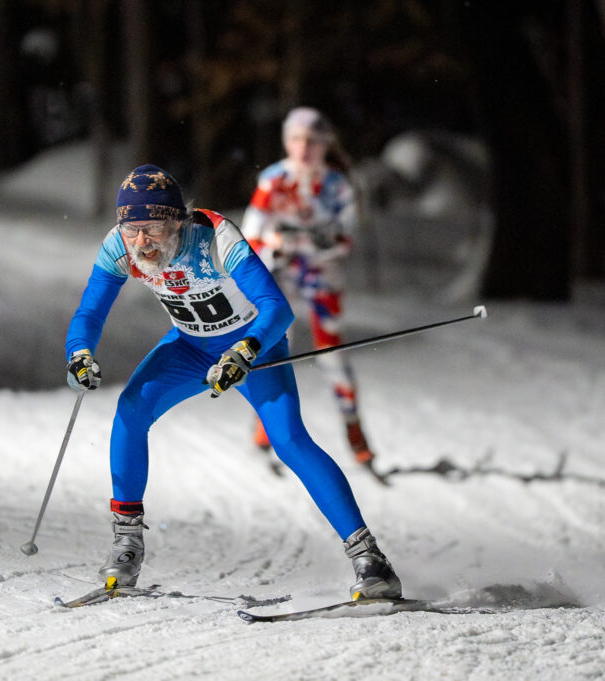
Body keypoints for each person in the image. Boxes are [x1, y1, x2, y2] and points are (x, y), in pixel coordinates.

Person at [64, 164, 401, 601]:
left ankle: (370, 559)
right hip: (188, 347)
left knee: (289, 440)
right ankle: (127, 544)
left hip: (253, 348)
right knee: (131, 410)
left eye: (152, 228)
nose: (142, 242)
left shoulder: (215, 236)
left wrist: (245, 351)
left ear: (177, 221)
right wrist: (80, 353)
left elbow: (277, 309)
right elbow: (90, 314)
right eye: (132, 230)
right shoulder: (119, 246)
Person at [241, 107, 377, 470]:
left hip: (321, 276)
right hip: (281, 274)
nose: (304, 149)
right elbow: (251, 234)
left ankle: (352, 424)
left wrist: (304, 241)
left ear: (325, 145)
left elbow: (343, 240)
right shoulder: (273, 179)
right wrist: (276, 244)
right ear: (287, 141)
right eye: (297, 140)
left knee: (332, 351)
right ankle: (267, 423)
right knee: (272, 345)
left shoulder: (337, 185)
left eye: (313, 141)